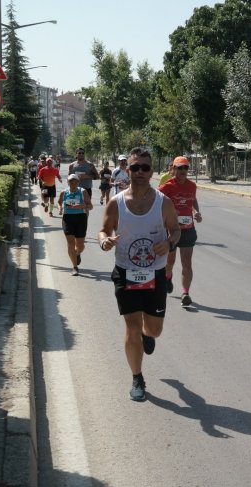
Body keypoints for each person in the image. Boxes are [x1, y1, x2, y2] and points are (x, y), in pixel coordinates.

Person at [98, 147, 181, 401]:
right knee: (131, 327)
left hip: (154, 274)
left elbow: (176, 230)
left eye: (145, 167)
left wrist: (168, 244)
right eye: (135, 167)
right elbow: (103, 230)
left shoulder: (163, 202)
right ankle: (137, 377)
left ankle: (148, 334)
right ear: (128, 170)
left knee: (153, 330)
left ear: (152, 171)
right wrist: (105, 241)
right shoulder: (117, 202)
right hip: (126, 272)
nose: (140, 172)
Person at [158, 156, 202, 306]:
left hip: (188, 229)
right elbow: (157, 202)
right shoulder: (167, 186)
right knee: (170, 262)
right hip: (171, 230)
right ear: (174, 169)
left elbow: (193, 199)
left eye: (186, 168)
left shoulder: (192, 186)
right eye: (180, 168)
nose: (184, 171)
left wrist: (196, 212)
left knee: (187, 263)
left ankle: (185, 293)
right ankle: (168, 277)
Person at [57, 174, 93, 276]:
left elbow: (91, 206)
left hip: (81, 218)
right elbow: (59, 203)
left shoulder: (82, 192)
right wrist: (60, 208)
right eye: (71, 182)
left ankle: (77, 253)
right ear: (68, 183)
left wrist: (83, 206)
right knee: (71, 244)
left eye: (75, 182)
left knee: (80, 246)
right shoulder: (64, 192)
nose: (73, 184)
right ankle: (75, 267)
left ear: (78, 183)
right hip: (67, 219)